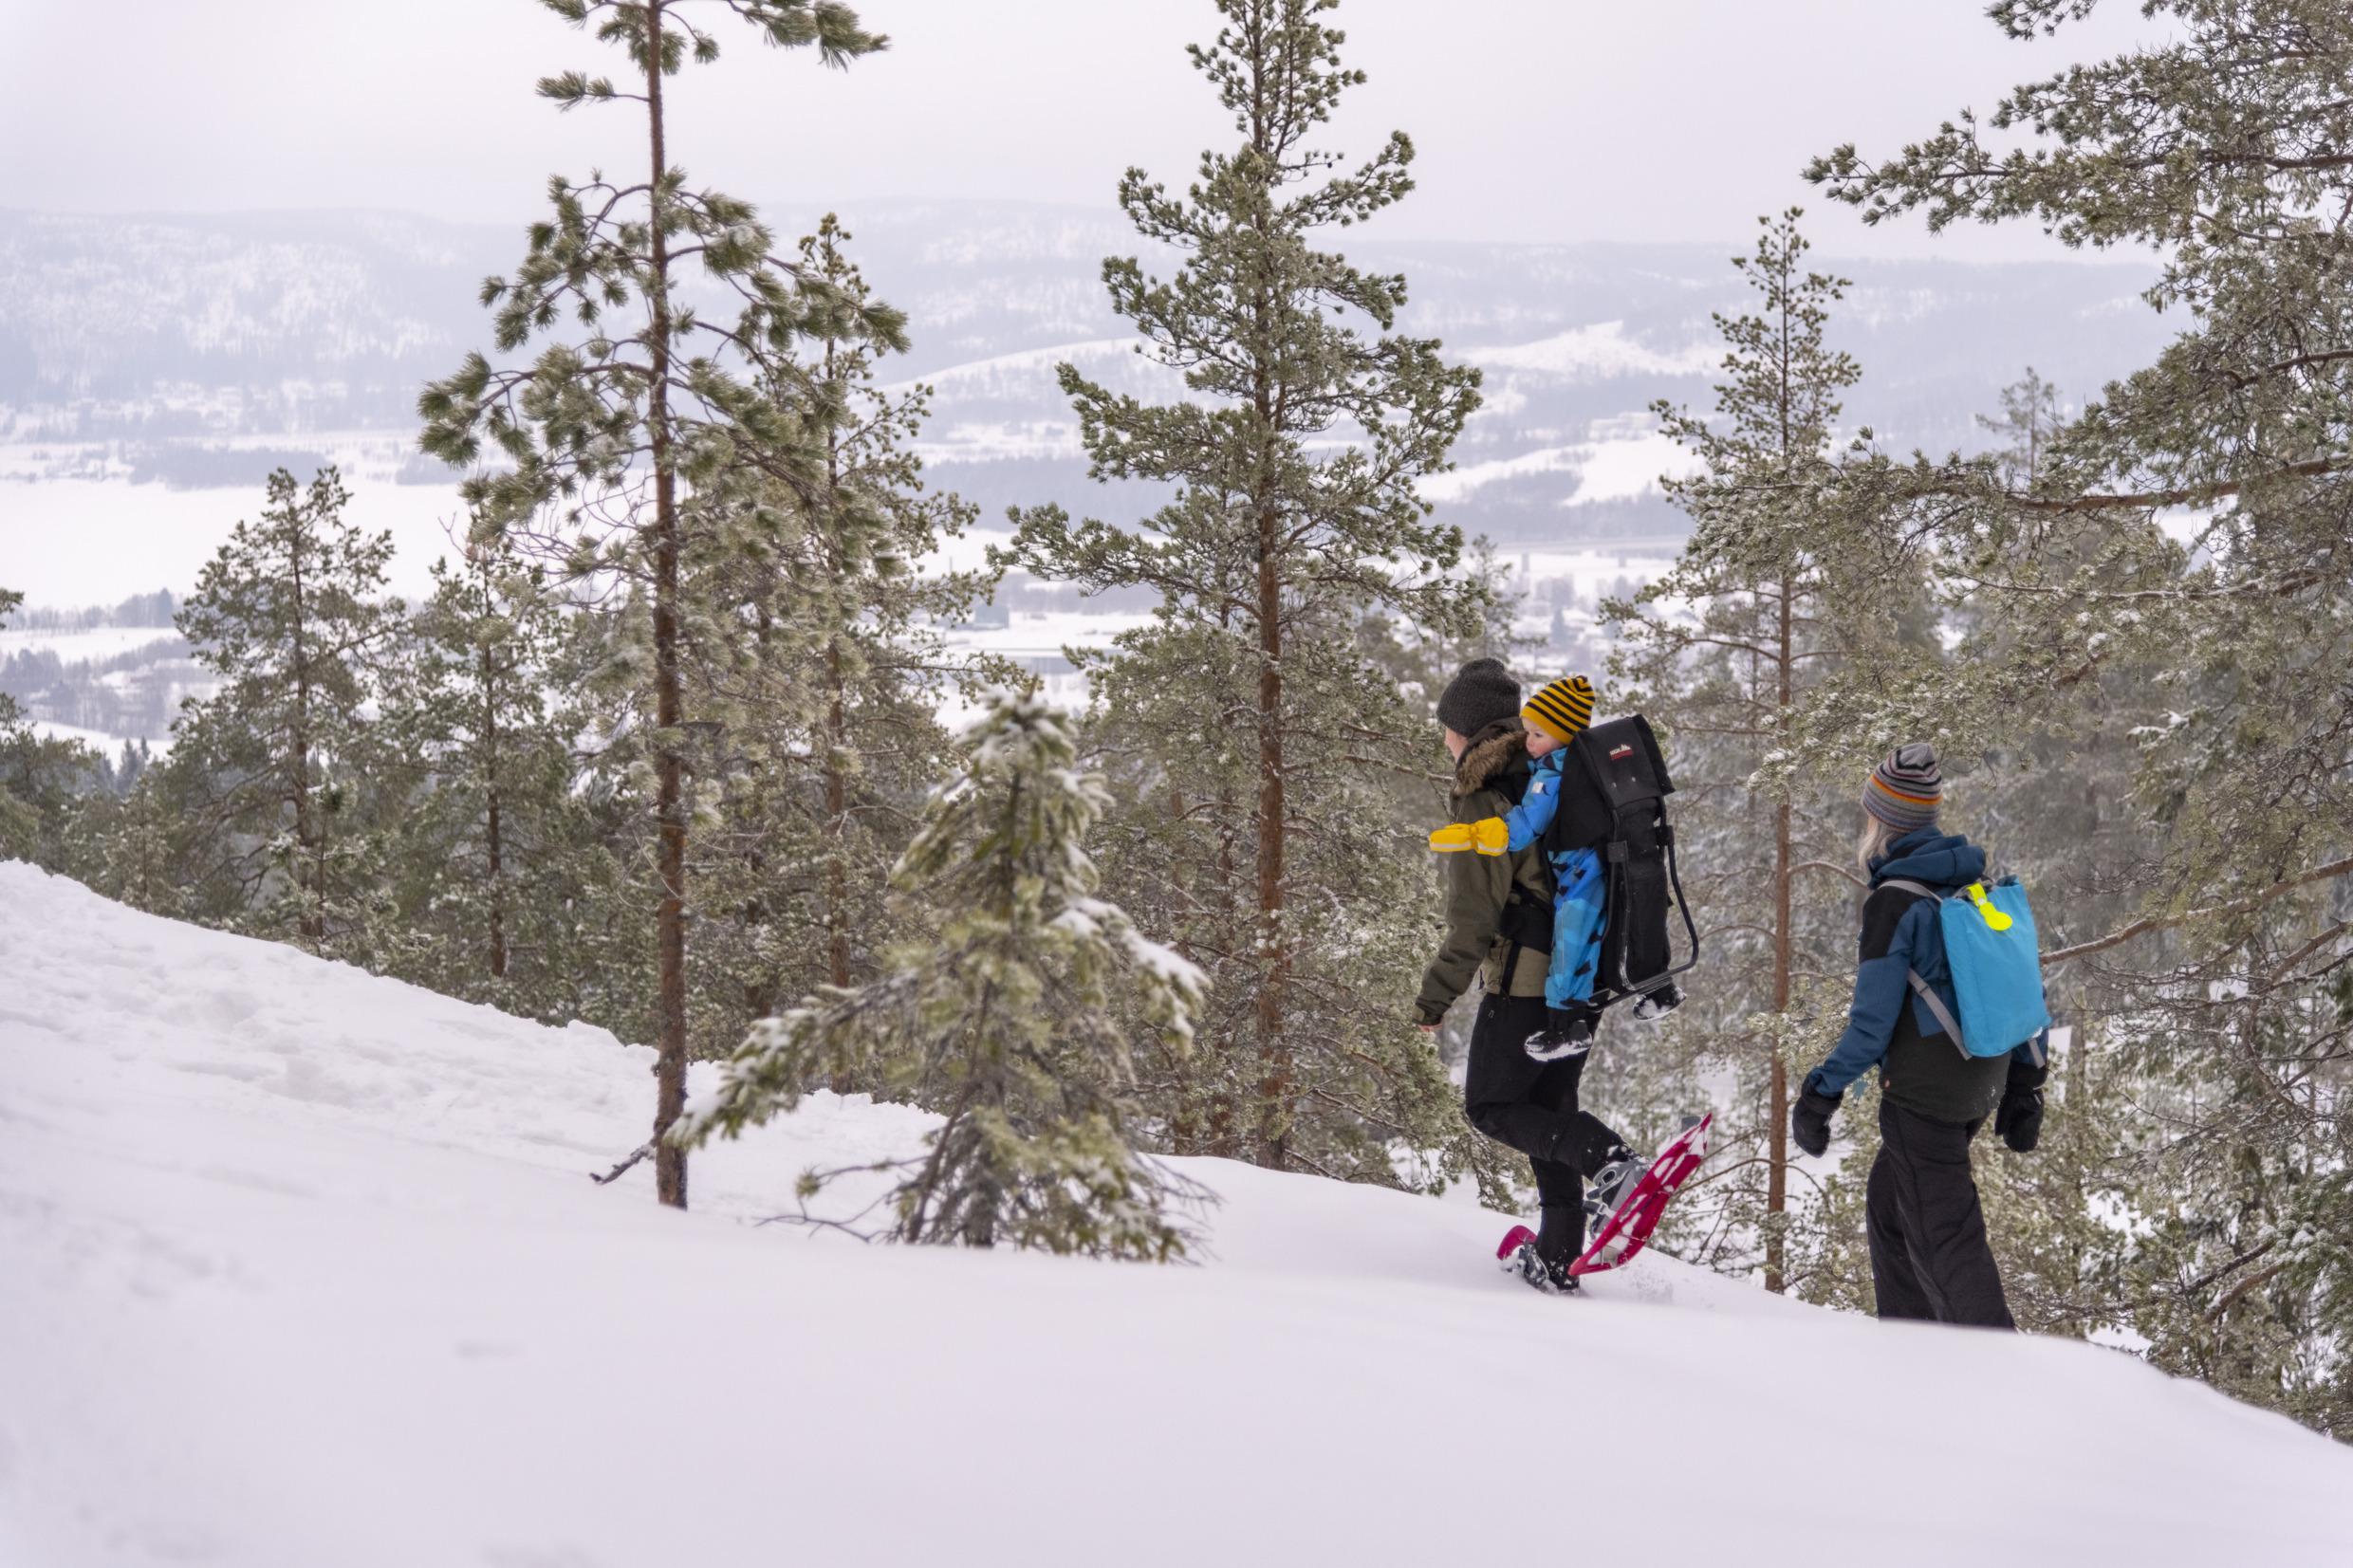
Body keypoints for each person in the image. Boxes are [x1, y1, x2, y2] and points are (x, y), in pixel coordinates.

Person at [1788, 743, 2047, 1329]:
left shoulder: (1894, 903)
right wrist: (2027, 1085)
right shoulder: (1975, 880)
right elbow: (2025, 988)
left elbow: (1871, 1024)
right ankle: (1908, 1344)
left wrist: (1820, 1094)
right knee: (1891, 1206)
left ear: (1882, 821)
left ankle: (1997, 1371)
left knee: (1947, 1240)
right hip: (1980, 1082)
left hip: (1923, 1099)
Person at [1414, 658, 1642, 1294]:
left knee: (1490, 1105)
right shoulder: (1550, 768)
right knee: (1548, 1106)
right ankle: (1559, 1252)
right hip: (1585, 971)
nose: (1443, 740)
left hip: (1529, 979)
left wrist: (1432, 998)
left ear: (1466, 731)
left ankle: (1612, 1162)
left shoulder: (1484, 796)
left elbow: (1472, 921)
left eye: (1446, 729)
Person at [1429, 673, 1682, 1061]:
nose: (1527, 743)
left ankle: (1567, 1027)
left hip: (1580, 877)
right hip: (1612, 866)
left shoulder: (1551, 774)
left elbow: (1524, 827)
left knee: (1570, 947)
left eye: (1537, 735)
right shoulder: (1586, 764)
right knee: (1628, 927)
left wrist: (1473, 836)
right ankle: (1659, 989)